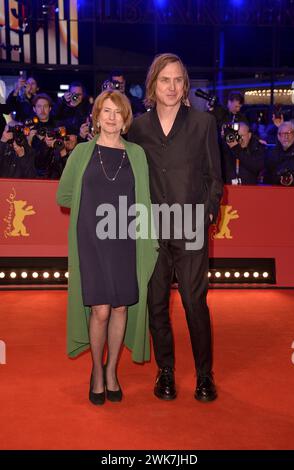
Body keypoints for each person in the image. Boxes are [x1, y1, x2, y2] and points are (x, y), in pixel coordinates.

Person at [128, 53, 223, 402]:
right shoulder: (137, 127)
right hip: (151, 232)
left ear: (185, 86)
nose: (171, 86)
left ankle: (204, 375)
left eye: (178, 80)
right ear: (153, 84)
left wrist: (209, 213)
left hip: (191, 228)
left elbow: (215, 177)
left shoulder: (203, 123)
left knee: (194, 303)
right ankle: (164, 371)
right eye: (165, 79)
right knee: (156, 305)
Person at [56, 90, 158, 405]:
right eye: (106, 111)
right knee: (99, 309)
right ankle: (96, 372)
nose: (112, 117)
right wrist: (90, 218)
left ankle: (112, 370)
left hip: (126, 240)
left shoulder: (137, 155)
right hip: (92, 242)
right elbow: (64, 197)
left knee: (121, 306)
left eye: (118, 112)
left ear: (126, 119)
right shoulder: (81, 153)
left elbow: (145, 199)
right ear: (97, 116)